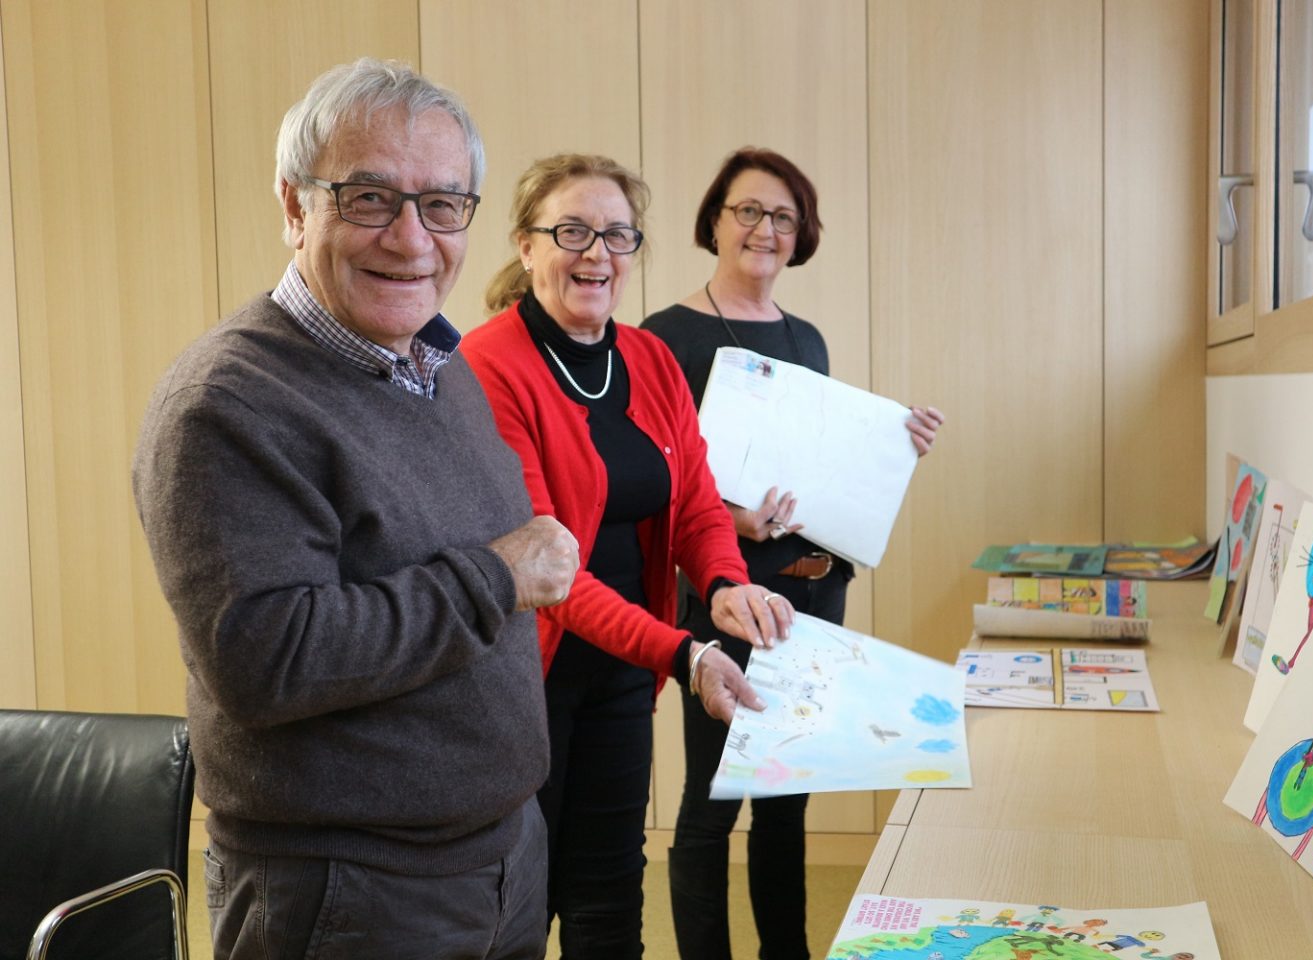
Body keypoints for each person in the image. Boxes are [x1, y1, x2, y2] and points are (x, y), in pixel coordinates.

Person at [132, 58, 581, 960]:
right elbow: (269, 656)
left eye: (444, 204)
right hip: (350, 890)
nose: (413, 240)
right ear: (297, 207)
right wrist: (498, 576)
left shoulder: (434, 365)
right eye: (370, 198)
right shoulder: (227, 403)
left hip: (500, 858)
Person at [458, 153, 794, 960]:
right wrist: (683, 650)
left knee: (610, 891)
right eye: (571, 231)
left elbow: (697, 503)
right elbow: (550, 573)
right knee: (519, 901)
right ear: (526, 244)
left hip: (621, 668)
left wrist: (723, 585)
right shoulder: (488, 364)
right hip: (525, 675)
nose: (596, 253)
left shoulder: (647, 358)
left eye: (616, 234)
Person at [641, 147, 945, 960]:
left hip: (815, 593)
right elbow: (652, 475)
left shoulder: (807, 338)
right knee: (712, 805)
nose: (764, 229)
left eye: (782, 216)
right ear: (714, 220)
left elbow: (827, 475)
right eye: (747, 211)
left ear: (800, 233)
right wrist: (729, 523)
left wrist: (897, 445)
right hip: (727, 592)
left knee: (787, 800)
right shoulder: (663, 337)